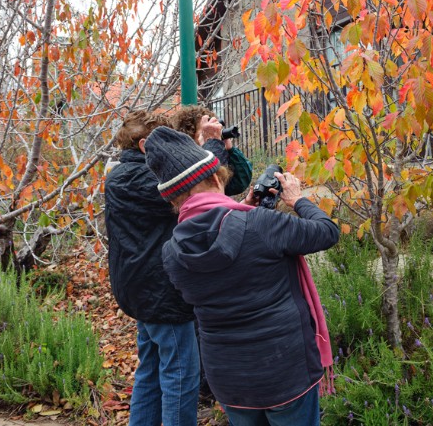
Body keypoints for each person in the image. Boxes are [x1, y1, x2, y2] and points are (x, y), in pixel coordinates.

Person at [143, 126, 339, 426]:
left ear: (174, 200)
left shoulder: (172, 253)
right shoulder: (260, 223)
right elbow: (326, 232)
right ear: (213, 177)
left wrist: (239, 211)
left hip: (229, 380)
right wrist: (297, 200)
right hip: (285, 369)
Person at [104, 110, 211, 426]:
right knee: (181, 373)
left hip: (140, 292)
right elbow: (200, 186)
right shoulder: (150, 182)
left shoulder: (120, 176)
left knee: (150, 369)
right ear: (145, 146)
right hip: (162, 294)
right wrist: (210, 145)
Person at [170, 105, 253, 196]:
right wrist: (212, 144)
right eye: (205, 133)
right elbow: (207, 186)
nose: (211, 136)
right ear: (189, 137)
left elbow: (238, 184)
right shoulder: (178, 167)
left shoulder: (218, 153)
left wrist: (230, 151)